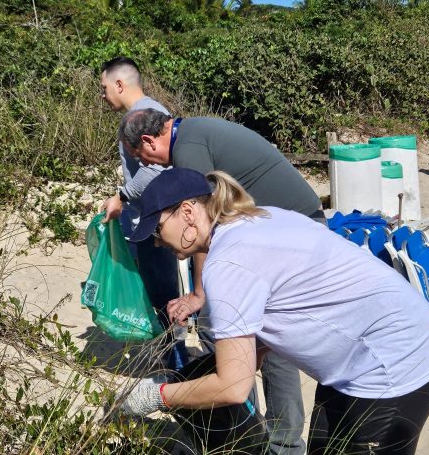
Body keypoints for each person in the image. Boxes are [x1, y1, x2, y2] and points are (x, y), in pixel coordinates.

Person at [117, 167, 429, 455]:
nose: (158, 242)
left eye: (158, 229)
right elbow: (282, 311)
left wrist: (155, 396)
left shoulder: (227, 263)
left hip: (395, 366)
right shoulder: (258, 217)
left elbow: (233, 387)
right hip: (370, 355)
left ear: (188, 212)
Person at [119, 108, 322, 455]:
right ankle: (250, 428)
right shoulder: (192, 133)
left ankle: (283, 444)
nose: (148, 165)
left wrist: (199, 294)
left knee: (272, 339)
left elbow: (200, 225)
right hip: (274, 232)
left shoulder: (187, 148)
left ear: (151, 140)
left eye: (142, 156)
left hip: (296, 235)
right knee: (252, 340)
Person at [98, 57, 187, 370]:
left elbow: (154, 171)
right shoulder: (153, 110)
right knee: (158, 297)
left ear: (119, 84)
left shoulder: (138, 117)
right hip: (148, 220)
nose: (103, 95)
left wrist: (121, 196)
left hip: (154, 224)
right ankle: (170, 364)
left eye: (104, 88)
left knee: (163, 301)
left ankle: (177, 371)